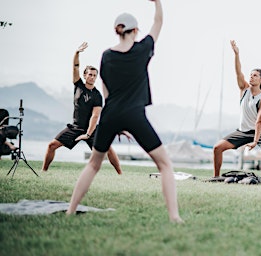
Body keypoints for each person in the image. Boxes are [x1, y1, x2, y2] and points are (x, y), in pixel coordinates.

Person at [66, 0, 182, 223]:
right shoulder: (142, 49)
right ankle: (174, 217)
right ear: (135, 30)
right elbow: (158, 22)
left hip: (110, 115)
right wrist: (157, 2)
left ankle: (71, 210)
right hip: (135, 115)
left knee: (93, 164)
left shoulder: (106, 56)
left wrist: (115, 123)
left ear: (117, 31)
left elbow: (106, 93)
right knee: (165, 165)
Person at [212, 40, 261, 182]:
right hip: (243, 131)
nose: (251, 77)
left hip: (260, 131)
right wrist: (236, 54)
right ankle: (216, 177)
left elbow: (259, 121)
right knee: (217, 148)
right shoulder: (244, 89)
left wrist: (255, 141)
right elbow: (238, 72)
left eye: (255, 75)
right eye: (251, 75)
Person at [41, 42, 125, 175]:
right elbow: (75, 67)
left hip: (90, 129)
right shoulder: (78, 85)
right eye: (90, 74)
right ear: (85, 75)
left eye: (94, 75)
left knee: (107, 148)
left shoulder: (97, 96)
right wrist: (77, 53)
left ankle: (120, 174)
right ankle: (44, 171)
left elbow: (95, 116)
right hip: (75, 127)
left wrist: (88, 134)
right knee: (51, 146)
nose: (92, 77)